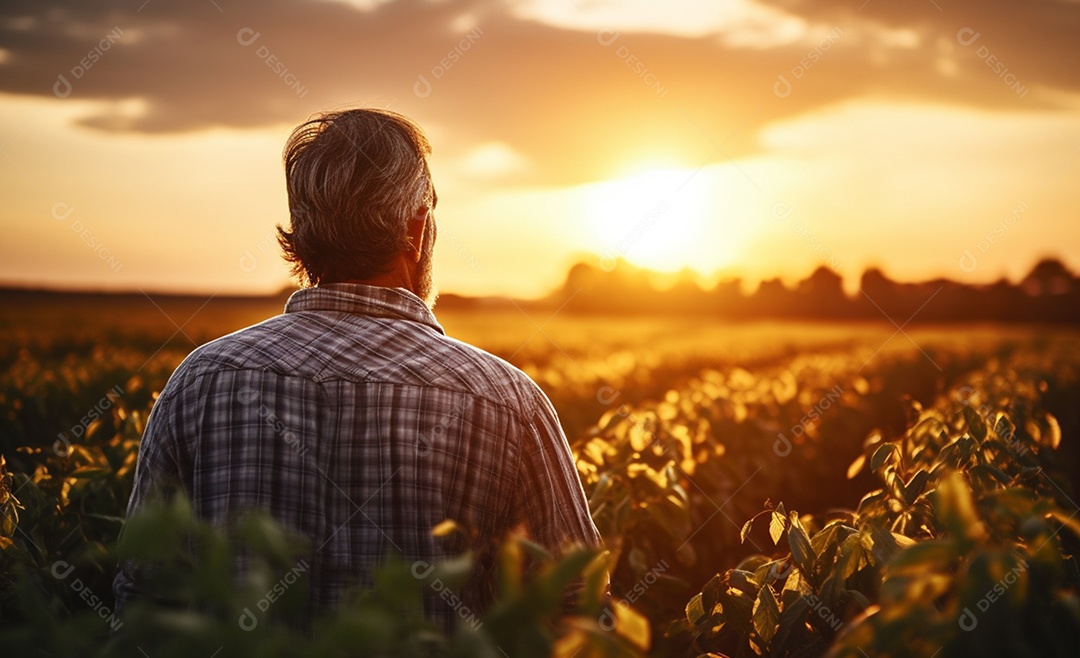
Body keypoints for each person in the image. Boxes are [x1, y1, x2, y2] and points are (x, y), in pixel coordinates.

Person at [113, 108, 601, 628]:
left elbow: (145, 598)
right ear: (417, 230)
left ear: (299, 233)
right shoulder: (506, 400)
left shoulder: (202, 381)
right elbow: (574, 611)